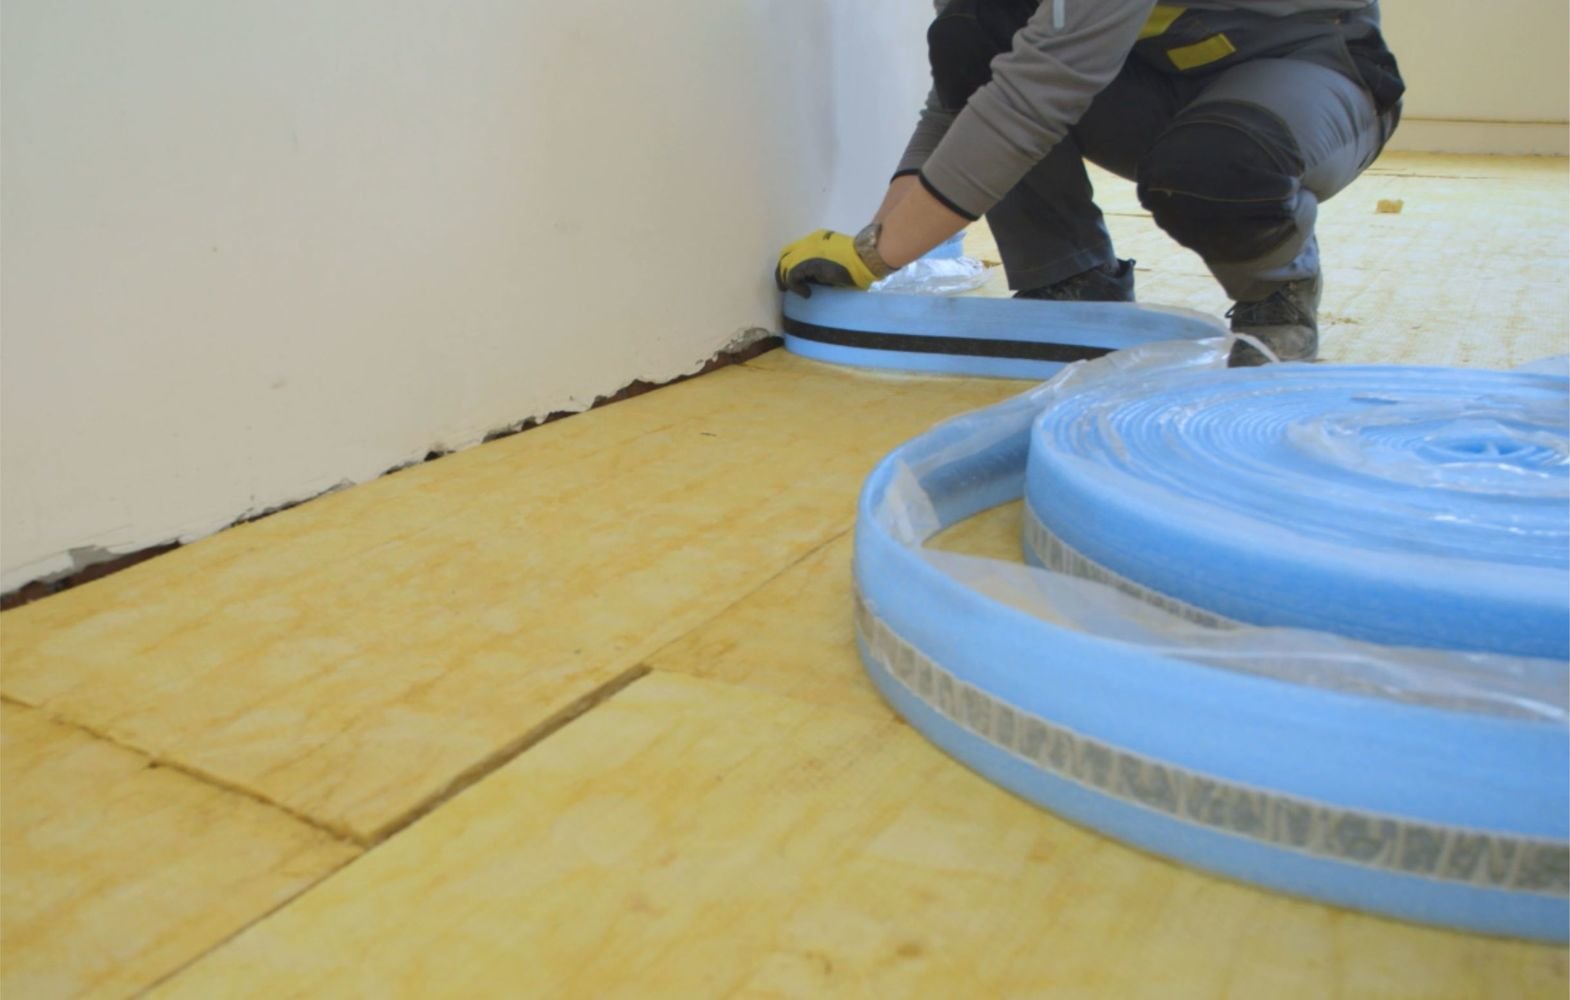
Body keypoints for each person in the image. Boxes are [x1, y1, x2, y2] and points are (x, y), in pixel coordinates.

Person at [775, 0, 1404, 365]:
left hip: (1305, 70)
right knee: (973, 30)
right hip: (1150, 78)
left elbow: (1037, 91)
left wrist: (874, 257)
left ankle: (1276, 290)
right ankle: (1071, 283)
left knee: (1213, 171)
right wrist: (875, 237)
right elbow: (965, 97)